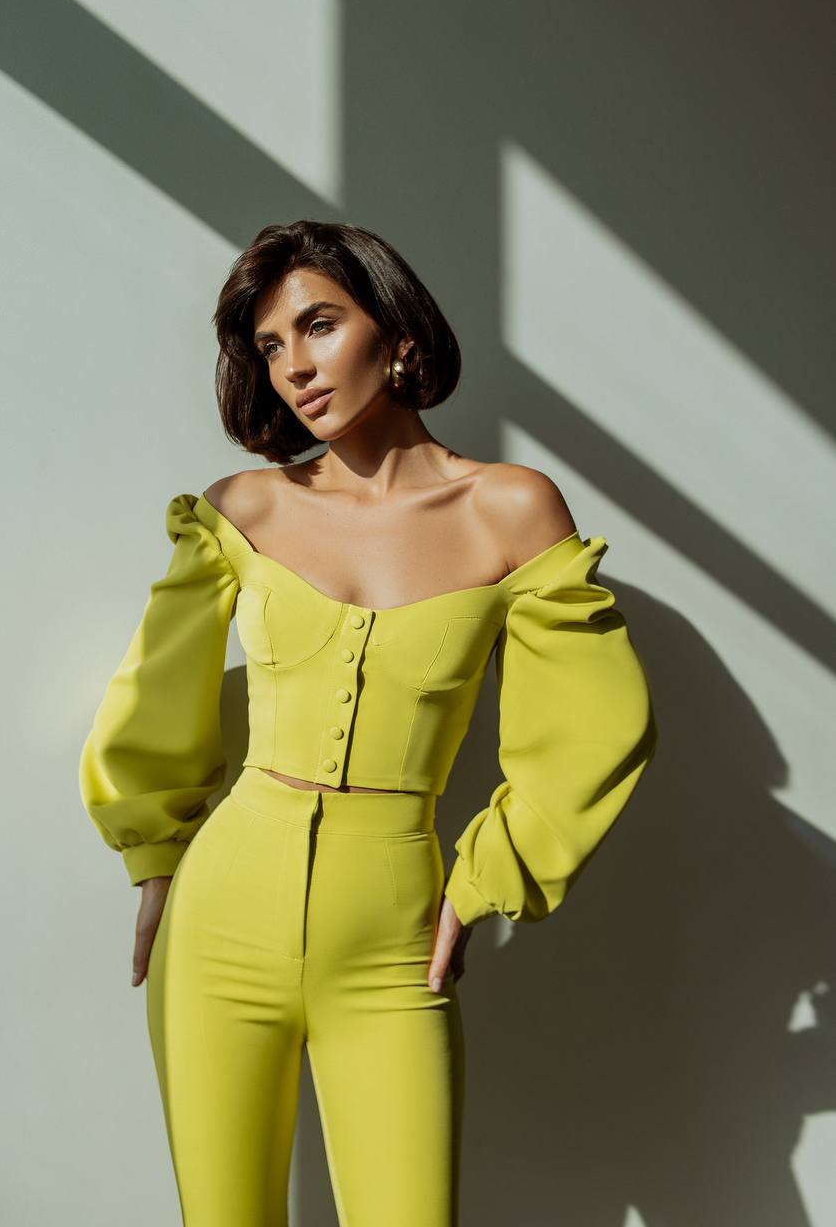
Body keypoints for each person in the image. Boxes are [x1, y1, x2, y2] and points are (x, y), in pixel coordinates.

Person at [78, 219, 658, 1226]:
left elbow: (592, 726)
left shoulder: (509, 509)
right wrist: (154, 856)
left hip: (392, 941)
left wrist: (483, 883)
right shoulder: (243, 511)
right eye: (270, 345)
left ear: (396, 331)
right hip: (216, 927)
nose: (294, 366)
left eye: (318, 324)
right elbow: (154, 694)